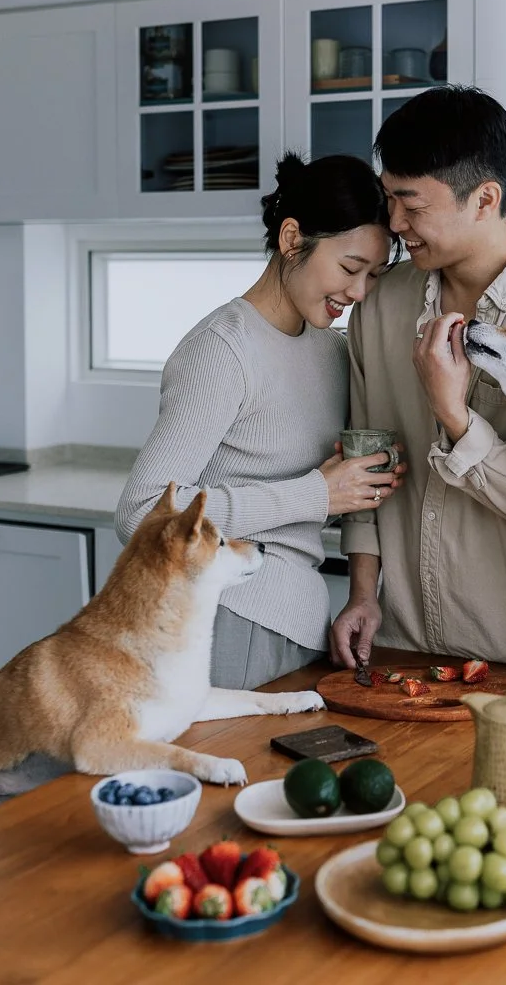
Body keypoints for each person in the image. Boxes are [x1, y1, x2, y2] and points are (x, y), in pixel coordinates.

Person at [331, 86, 506, 673]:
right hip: (405, 647)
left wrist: (457, 419)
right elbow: (366, 456)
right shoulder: (379, 307)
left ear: (485, 199)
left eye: (412, 205)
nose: (394, 223)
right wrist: (362, 592)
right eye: (389, 199)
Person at [117, 152, 405, 691]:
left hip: (297, 624)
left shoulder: (330, 351)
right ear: (292, 239)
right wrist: (316, 495)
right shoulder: (224, 350)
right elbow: (142, 514)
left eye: (373, 275)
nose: (359, 292)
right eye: (349, 268)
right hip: (225, 617)